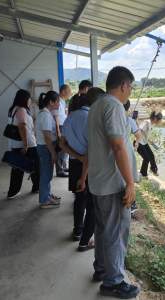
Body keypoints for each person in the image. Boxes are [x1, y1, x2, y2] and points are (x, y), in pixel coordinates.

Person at [87, 66, 139, 299]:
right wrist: (130, 182)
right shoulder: (114, 106)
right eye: (130, 86)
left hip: (99, 182)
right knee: (116, 232)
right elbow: (118, 146)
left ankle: (102, 269)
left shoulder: (97, 105)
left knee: (103, 229)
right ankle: (114, 282)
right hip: (112, 184)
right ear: (124, 85)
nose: (130, 91)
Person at [60, 88, 106, 251]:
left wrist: (77, 157)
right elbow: (91, 151)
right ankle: (86, 240)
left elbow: (62, 144)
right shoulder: (91, 118)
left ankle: (77, 231)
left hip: (74, 163)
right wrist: (84, 168)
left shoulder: (70, 117)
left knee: (79, 199)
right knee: (92, 204)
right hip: (90, 165)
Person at [6, 89, 40, 199]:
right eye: (29, 98)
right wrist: (25, 145)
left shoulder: (13, 109)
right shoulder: (21, 110)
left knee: (17, 168)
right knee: (35, 166)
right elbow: (22, 127)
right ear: (25, 99)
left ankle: (13, 192)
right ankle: (37, 187)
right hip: (27, 144)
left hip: (15, 144)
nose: (30, 101)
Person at [36, 91, 61, 209]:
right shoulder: (45, 115)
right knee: (46, 174)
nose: (59, 104)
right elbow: (47, 137)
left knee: (48, 173)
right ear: (51, 102)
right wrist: (53, 153)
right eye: (57, 102)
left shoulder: (45, 113)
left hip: (46, 147)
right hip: (46, 148)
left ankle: (47, 195)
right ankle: (44, 200)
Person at [123, 100, 141, 213]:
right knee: (128, 177)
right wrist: (136, 143)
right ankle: (131, 203)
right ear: (128, 108)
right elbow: (138, 135)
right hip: (126, 151)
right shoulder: (129, 120)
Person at [52, 84, 72, 177]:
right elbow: (56, 117)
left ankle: (63, 166)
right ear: (63, 91)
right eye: (69, 91)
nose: (70, 93)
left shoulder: (63, 101)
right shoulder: (58, 101)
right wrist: (58, 131)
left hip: (63, 126)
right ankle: (59, 170)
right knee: (60, 148)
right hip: (59, 126)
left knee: (64, 148)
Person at [137, 111, 163, 177]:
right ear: (155, 118)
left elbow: (146, 136)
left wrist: (153, 145)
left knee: (151, 156)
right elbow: (139, 130)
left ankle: (153, 169)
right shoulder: (147, 122)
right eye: (159, 120)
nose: (159, 121)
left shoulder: (151, 124)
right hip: (139, 143)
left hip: (144, 143)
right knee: (146, 158)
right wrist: (136, 142)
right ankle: (143, 174)